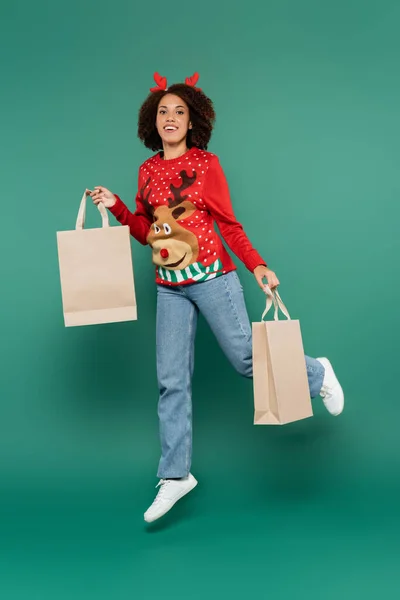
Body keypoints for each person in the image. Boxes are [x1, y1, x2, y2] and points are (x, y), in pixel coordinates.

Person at [89, 72, 344, 524]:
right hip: (169, 286)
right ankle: (174, 477)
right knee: (171, 380)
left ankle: (316, 371)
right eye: (163, 111)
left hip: (211, 277)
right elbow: (150, 233)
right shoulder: (147, 171)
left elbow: (228, 224)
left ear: (192, 122)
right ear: (153, 120)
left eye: (179, 112)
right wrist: (117, 208)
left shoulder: (206, 164)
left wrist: (258, 266)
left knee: (247, 360)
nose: (170, 118)